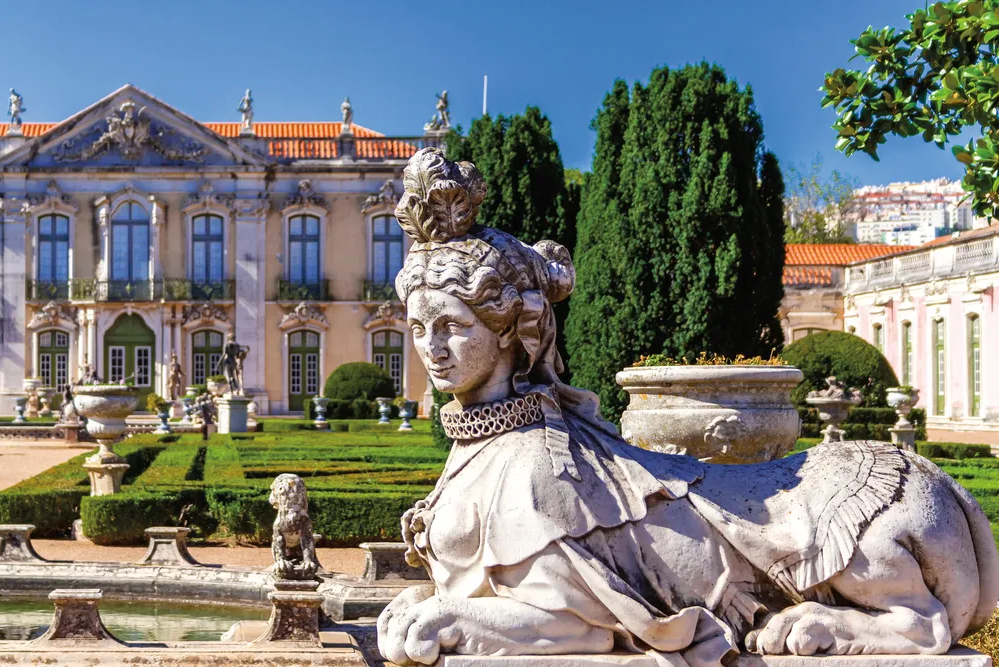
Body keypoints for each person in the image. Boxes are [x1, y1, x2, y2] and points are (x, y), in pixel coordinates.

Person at [376, 148, 999, 667]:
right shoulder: (490, 452)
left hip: (868, 511)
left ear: (513, 330)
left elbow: (580, 630)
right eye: (419, 326)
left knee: (819, 520)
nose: (431, 348)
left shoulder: (542, 463)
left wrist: (452, 615)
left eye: (453, 326)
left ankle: (905, 621)